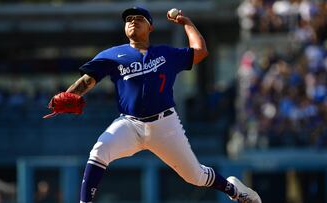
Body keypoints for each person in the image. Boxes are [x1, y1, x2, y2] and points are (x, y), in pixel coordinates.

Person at [61, 6, 261, 203]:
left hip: (165, 125)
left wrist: (187, 23)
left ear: (150, 28)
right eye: (128, 19)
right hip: (130, 124)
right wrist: (67, 95)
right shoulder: (112, 55)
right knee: (99, 150)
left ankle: (235, 191)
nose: (132, 21)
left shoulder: (165, 54)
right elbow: (88, 80)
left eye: (139, 18)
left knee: (196, 176)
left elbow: (200, 51)